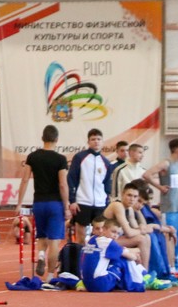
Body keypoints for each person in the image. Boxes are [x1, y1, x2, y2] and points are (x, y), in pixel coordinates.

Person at [14, 124, 70, 279]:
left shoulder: (32, 157)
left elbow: (25, 180)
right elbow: (63, 184)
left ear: (42, 138)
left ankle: (40, 255)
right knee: (54, 241)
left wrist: (19, 204)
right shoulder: (60, 159)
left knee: (42, 236)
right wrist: (66, 206)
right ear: (56, 139)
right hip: (55, 204)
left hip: (38, 203)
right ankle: (50, 276)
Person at [144, 138, 178, 277]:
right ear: (177, 150)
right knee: (171, 237)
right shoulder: (166, 163)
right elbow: (146, 174)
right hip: (170, 207)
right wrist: (159, 187)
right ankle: (171, 267)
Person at [80, 217, 145, 293]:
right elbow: (131, 257)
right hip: (101, 283)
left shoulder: (91, 239)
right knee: (122, 260)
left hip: (87, 284)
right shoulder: (108, 242)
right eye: (113, 232)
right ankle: (137, 284)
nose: (115, 236)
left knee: (116, 257)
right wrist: (136, 257)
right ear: (104, 229)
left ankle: (139, 275)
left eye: (118, 233)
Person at [67, 128, 111, 242]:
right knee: (80, 235)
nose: (96, 141)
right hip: (82, 202)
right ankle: (80, 253)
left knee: (100, 235)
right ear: (88, 142)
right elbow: (71, 179)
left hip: (100, 204)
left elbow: (107, 184)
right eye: (93, 139)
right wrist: (72, 201)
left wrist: (106, 201)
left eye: (99, 139)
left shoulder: (106, 162)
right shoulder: (80, 158)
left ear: (102, 142)